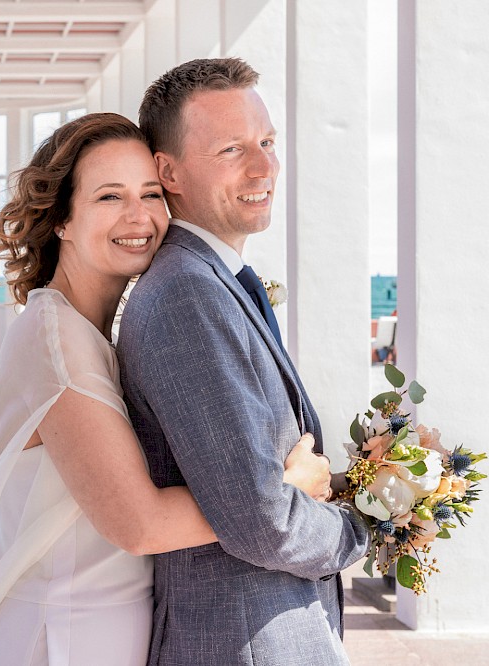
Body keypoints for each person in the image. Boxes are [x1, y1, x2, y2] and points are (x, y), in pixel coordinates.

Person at [0, 112, 333, 666]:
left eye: (150, 193)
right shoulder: (56, 342)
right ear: (61, 220)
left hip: (105, 627)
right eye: (109, 197)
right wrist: (284, 488)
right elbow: (139, 524)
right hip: (60, 636)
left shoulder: (93, 329)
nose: (138, 216)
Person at [117, 58, 370, 666]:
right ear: (167, 171)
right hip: (247, 644)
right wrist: (366, 526)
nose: (264, 167)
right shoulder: (186, 295)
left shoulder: (209, 280)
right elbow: (265, 520)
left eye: (267, 142)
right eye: (232, 149)